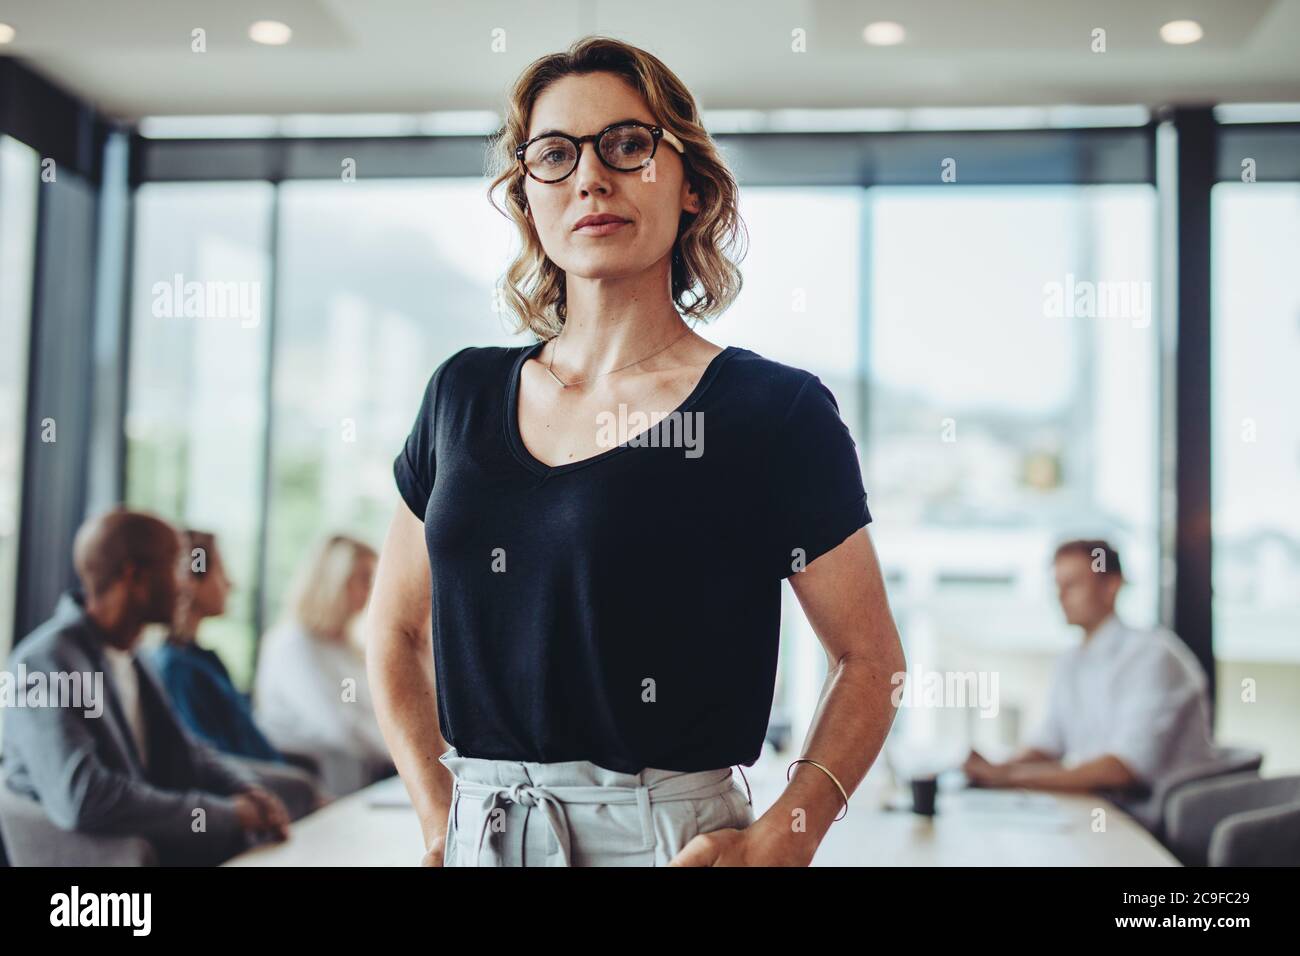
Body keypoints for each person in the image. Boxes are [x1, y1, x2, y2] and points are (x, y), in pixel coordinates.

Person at [367, 36, 905, 868]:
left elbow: (871, 661)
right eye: (555, 154)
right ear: (528, 198)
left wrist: (783, 839)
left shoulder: (773, 411)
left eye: (626, 145)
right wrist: (439, 811)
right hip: (485, 831)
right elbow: (396, 631)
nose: (590, 178)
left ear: (690, 185)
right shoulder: (459, 395)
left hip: (671, 841)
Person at [2, 508, 295, 866]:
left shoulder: (133, 653)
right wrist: (229, 814)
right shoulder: (46, 662)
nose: (187, 584)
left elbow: (187, 748)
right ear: (133, 576)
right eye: (176, 567)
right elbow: (84, 795)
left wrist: (245, 789)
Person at [962, 539, 1217, 831]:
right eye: (1057, 585)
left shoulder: (1152, 656)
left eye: (1072, 584)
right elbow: (1049, 742)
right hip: (1103, 811)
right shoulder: (1071, 661)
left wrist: (1009, 777)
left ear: (1111, 587)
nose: (1060, 596)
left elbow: (1121, 769)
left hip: (1158, 824)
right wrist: (998, 768)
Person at [254, 534, 393, 796]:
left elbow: (376, 716)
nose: (371, 590)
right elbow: (339, 727)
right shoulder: (293, 645)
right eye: (364, 578)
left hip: (360, 780)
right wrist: (405, 752)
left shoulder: (347, 649)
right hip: (317, 789)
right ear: (335, 581)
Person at [149, 529, 285, 764]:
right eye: (221, 572)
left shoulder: (205, 659)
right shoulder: (177, 669)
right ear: (192, 581)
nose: (231, 583)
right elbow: (210, 758)